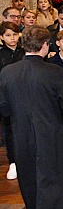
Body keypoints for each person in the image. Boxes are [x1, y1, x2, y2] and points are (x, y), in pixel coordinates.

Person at [0, 26, 63, 209]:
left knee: (29, 183)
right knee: (60, 188)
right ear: (45, 45)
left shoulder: (7, 73)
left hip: (22, 139)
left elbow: (4, 109)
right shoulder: (55, 72)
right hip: (53, 139)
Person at [0, 22, 23, 179]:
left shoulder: (25, 52)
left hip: (25, 95)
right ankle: (13, 162)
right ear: (1, 37)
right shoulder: (1, 54)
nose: (12, 38)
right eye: (8, 35)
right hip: (7, 97)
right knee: (9, 130)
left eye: (15, 34)